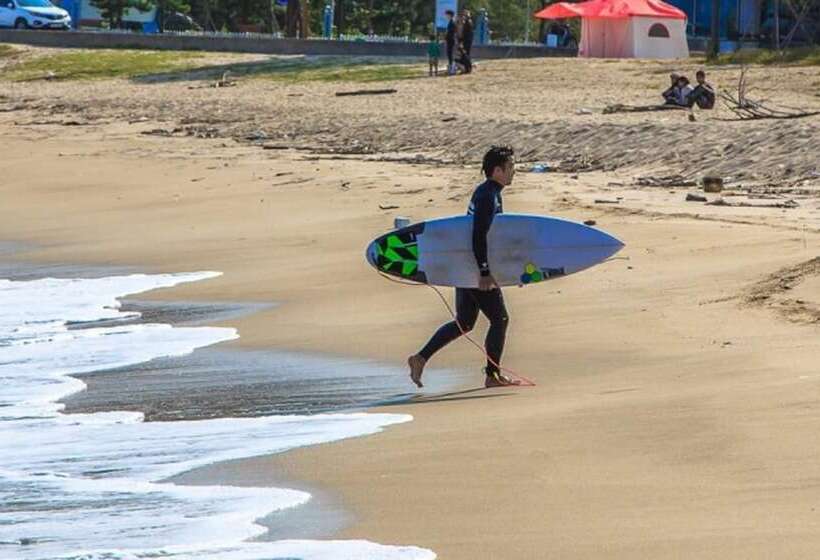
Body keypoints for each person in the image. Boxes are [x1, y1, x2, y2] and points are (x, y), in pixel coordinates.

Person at [407, 146, 522, 389]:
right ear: (497, 170)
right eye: (510, 167)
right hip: (473, 267)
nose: (514, 171)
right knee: (500, 319)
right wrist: (483, 272)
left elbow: (488, 237)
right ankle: (493, 375)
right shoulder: (488, 197)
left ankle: (420, 358)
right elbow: (478, 236)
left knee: (465, 322)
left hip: (465, 264)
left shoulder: (488, 192)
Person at [444, 9, 457, 75]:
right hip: (450, 40)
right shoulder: (450, 22)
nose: (445, 16)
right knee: (449, 55)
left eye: (446, 15)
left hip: (451, 41)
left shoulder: (452, 22)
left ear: (449, 15)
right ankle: (451, 68)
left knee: (450, 55)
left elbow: (450, 33)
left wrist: (446, 39)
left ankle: (452, 69)